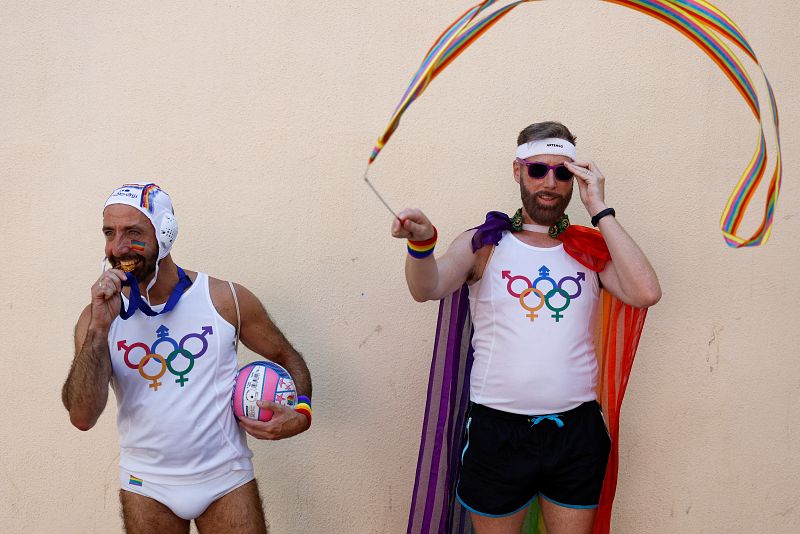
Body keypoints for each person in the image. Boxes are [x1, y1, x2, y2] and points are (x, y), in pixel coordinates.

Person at [392, 121, 661, 534]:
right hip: (497, 431)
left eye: (563, 171)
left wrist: (600, 209)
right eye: (538, 170)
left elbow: (645, 292)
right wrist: (422, 245)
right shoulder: (484, 243)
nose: (550, 182)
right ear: (518, 171)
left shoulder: (587, 248)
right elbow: (425, 287)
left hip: (576, 430)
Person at [62, 183, 312, 534]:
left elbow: (288, 356)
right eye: (109, 233)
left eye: (133, 232)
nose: (117, 247)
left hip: (227, 479)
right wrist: (100, 330)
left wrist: (302, 414)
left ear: (165, 233)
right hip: (146, 484)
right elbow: (82, 416)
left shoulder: (226, 299)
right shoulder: (97, 318)